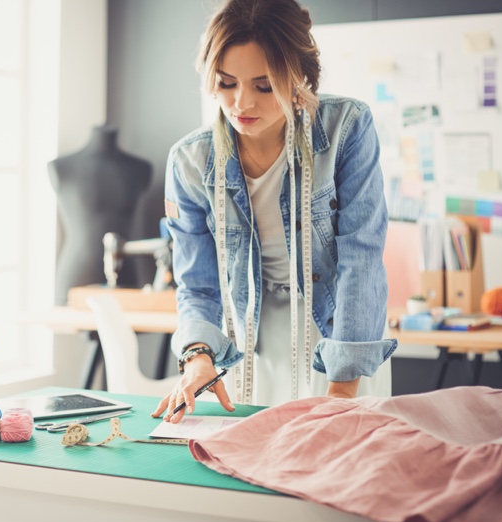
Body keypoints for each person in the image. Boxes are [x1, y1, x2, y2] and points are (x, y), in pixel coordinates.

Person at [152, 0, 396, 423]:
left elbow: (362, 258)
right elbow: (198, 285)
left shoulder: (347, 129)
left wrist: (342, 387)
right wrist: (198, 357)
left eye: (264, 85)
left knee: (338, 460)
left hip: (341, 328)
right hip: (250, 337)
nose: (241, 103)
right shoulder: (189, 162)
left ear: (298, 75)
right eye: (226, 83)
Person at [48, 124, 151, 304]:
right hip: (79, 271)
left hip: (126, 272)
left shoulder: (141, 168)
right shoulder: (61, 167)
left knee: (121, 331)